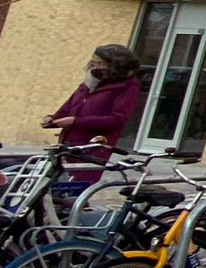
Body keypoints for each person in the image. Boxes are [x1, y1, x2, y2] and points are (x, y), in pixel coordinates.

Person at [42, 45, 144, 176]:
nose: (96, 67)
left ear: (115, 65)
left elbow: (117, 120)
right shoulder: (90, 81)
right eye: (94, 63)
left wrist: (76, 121)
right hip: (68, 144)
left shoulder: (127, 85)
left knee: (80, 182)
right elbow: (69, 107)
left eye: (101, 63)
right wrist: (52, 119)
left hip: (94, 147)